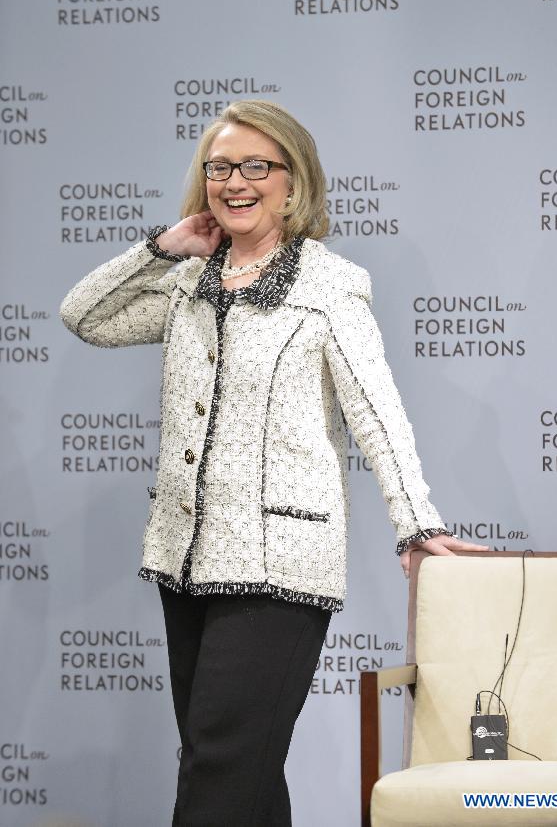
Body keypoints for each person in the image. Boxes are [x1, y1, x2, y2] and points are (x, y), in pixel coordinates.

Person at [60, 100, 488, 827]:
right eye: (220, 167)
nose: (236, 182)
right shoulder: (187, 280)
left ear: (294, 181)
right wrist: (161, 247)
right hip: (185, 557)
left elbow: (376, 414)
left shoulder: (330, 287)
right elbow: (84, 316)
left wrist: (416, 523)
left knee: (221, 765)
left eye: (257, 165)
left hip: (279, 563)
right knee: (235, 767)